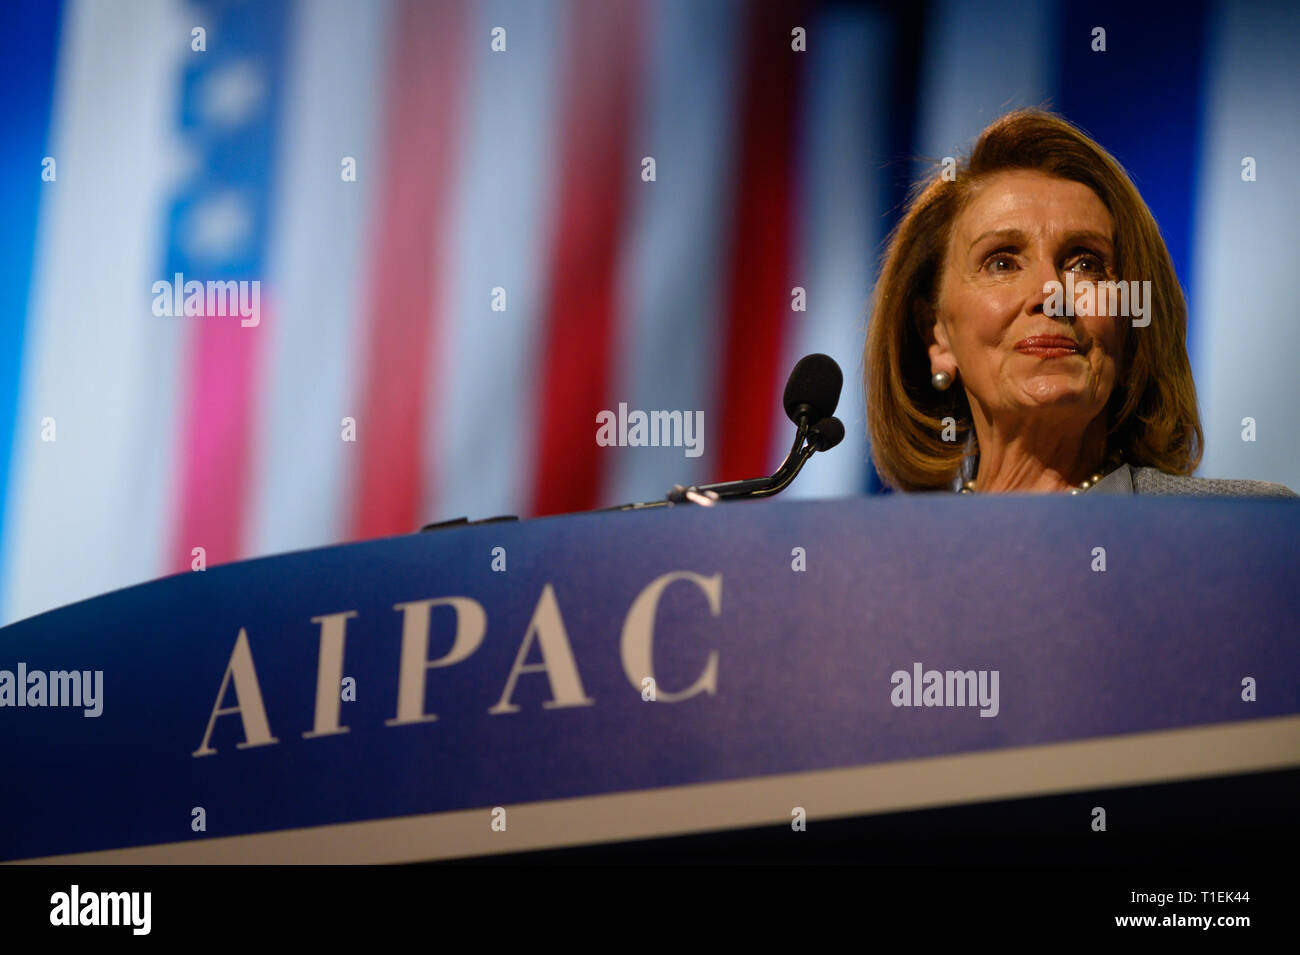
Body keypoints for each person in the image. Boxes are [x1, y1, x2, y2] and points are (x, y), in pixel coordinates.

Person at [864, 109, 1295, 497]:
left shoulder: (1245, 533)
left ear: (1131, 330)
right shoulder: (890, 562)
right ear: (935, 334)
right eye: (1001, 262)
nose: (1051, 294)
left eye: (1086, 264)